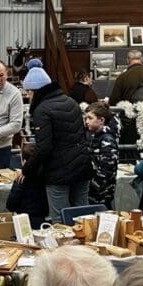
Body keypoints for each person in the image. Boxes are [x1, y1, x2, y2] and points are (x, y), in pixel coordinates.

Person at [21, 66, 92, 221]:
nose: (27, 95)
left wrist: (26, 169)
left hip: (58, 170)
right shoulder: (70, 101)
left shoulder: (42, 110)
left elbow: (43, 148)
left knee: (60, 219)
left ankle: (64, 245)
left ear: (35, 91)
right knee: (83, 217)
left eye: (28, 92)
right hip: (82, 166)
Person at [83, 101, 120, 209]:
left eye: (90, 118)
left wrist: (94, 186)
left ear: (101, 120)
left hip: (101, 192)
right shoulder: (95, 136)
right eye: (86, 118)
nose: (86, 122)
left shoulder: (106, 139)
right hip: (96, 190)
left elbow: (107, 169)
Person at [6, 143, 49, 228]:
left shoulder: (21, 180)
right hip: (43, 217)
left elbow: (10, 205)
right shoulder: (48, 176)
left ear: (24, 161)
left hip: (25, 220)